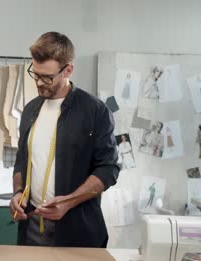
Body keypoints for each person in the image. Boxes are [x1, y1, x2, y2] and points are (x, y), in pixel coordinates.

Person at [9, 32, 120, 248]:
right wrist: (17, 193)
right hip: (32, 228)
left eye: (47, 77)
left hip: (78, 231)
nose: (39, 83)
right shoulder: (31, 110)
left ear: (68, 70)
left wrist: (68, 202)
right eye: (35, 74)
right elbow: (22, 160)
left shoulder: (95, 111)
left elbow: (109, 169)